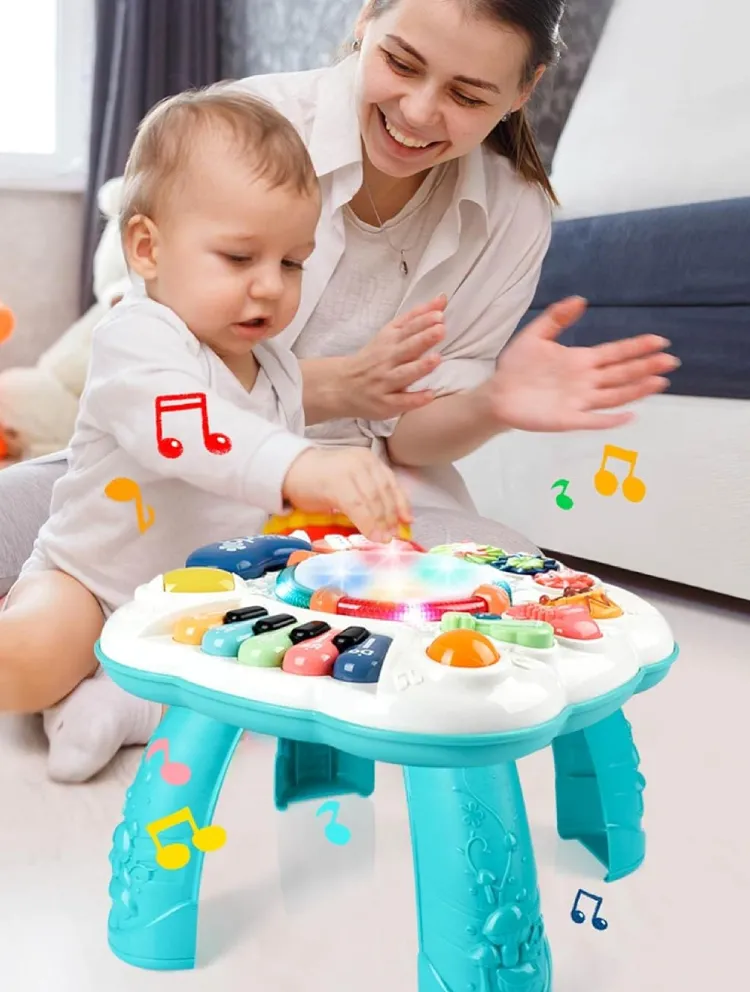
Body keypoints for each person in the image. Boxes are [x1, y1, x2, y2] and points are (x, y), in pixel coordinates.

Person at [0, 0, 679, 770]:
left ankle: (136, 692)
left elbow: (398, 435)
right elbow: (162, 400)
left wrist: (492, 402)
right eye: (401, 63)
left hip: (285, 520)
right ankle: (125, 663)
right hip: (146, 487)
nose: (420, 113)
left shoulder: (514, 212)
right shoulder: (240, 130)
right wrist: (324, 422)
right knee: (30, 575)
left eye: (466, 96)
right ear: (365, 19)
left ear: (523, 91)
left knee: (487, 590)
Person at [0, 85, 412, 782]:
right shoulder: (137, 336)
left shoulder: (276, 368)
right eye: (239, 257)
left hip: (202, 596)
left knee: (275, 675)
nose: (270, 287)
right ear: (147, 248)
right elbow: (191, 432)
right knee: (25, 661)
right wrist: (303, 464)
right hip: (89, 582)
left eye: (291, 262)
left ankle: (120, 705)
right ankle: (73, 685)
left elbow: (261, 499)